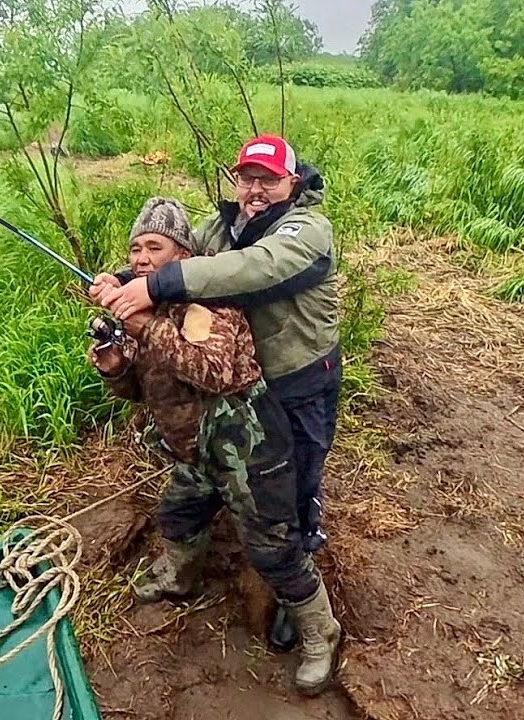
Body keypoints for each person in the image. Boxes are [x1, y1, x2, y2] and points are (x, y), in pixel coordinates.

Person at [90, 135, 342, 652]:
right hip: (241, 391)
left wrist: (150, 294)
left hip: (298, 380)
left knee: (293, 493)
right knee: (193, 499)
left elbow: (254, 267)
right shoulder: (221, 228)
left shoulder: (307, 229)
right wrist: (123, 279)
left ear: (292, 182)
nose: (255, 190)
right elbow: (172, 255)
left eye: (269, 180)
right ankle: (187, 571)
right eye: (247, 178)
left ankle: (299, 601)